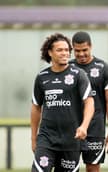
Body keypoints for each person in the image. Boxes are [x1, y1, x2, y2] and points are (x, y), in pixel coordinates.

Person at [30, 33, 94, 172]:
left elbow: (89, 102)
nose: (65, 53)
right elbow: (36, 107)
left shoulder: (79, 75)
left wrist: (84, 126)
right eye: (60, 50)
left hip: (71, 140)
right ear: (50, 53)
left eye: (66, 50)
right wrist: (33, 138)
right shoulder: (41, 77)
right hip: (47, 139)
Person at [70, 31, 108, 172]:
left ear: (91, 46)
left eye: (85, 50)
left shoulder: (104, 69)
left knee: (92, 168)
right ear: (72, 49)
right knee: (69, 168)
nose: (81, 54)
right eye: (77, 51)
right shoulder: (67, 68)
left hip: (95, 129)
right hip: (71, 129)